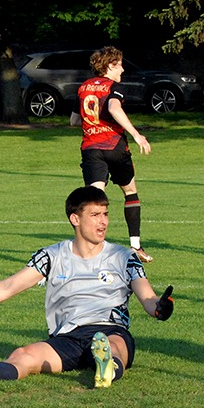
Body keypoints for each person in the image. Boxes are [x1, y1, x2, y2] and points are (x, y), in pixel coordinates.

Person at [0, 186, 175, 392]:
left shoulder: (124, 257)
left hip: (110, 329)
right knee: (24, 355)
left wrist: (159, 309)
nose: (103, 222)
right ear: (75, 219)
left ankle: (107, 368)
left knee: (112, 345)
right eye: (95, 215)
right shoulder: (52, 256)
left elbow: (148, 297)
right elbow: (10, 286)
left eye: (106, 214)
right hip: (68, 337)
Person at [70, 46, 154, 263]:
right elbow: (115, 108)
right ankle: (135, 246)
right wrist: (136, 135)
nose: (123, 69)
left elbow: (74, 120)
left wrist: (92, 123)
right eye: (119, 65)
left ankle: (89, 249)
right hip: (114, 147)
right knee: (130, 192)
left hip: (91, 148)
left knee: (94, 200)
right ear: (109, 66)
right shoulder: (113, 87)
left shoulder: (83, 88)